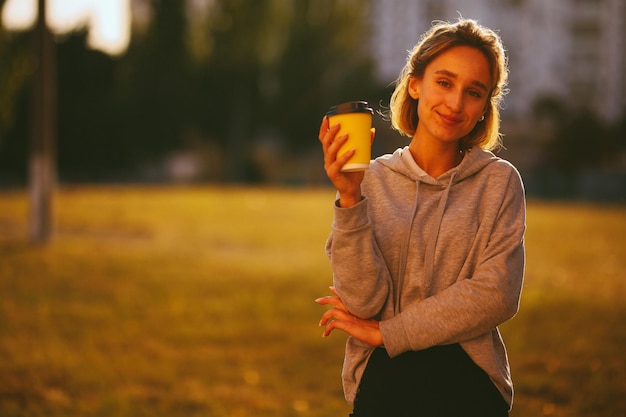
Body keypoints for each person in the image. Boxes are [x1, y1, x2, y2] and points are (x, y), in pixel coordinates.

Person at [315, 18, 526, 417]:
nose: (455, 103)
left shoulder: (499, 183)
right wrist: (349, 198)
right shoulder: (370, 181)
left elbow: (497, 293)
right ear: (415, 84)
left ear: (484, 107)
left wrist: (388, 332)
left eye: (473, 92)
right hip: (384, 380)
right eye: (444, 83)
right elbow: (363, 301)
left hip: (468, 379)